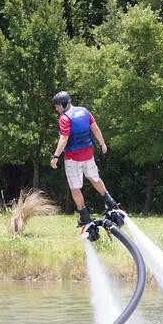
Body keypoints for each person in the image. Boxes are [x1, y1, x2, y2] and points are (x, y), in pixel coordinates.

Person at [49, 91, 119, 226]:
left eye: (57, 106)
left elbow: (64, 138)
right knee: (95, 178)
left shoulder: (65, 118)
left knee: (75, 188)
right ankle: (111, 203)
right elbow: (95, 128)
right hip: (88, 155)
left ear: (63, 104)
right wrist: (102, 143)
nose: (56, 109)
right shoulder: (84, 111)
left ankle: (84, 215)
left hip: (73, 158)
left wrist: (55, 156)